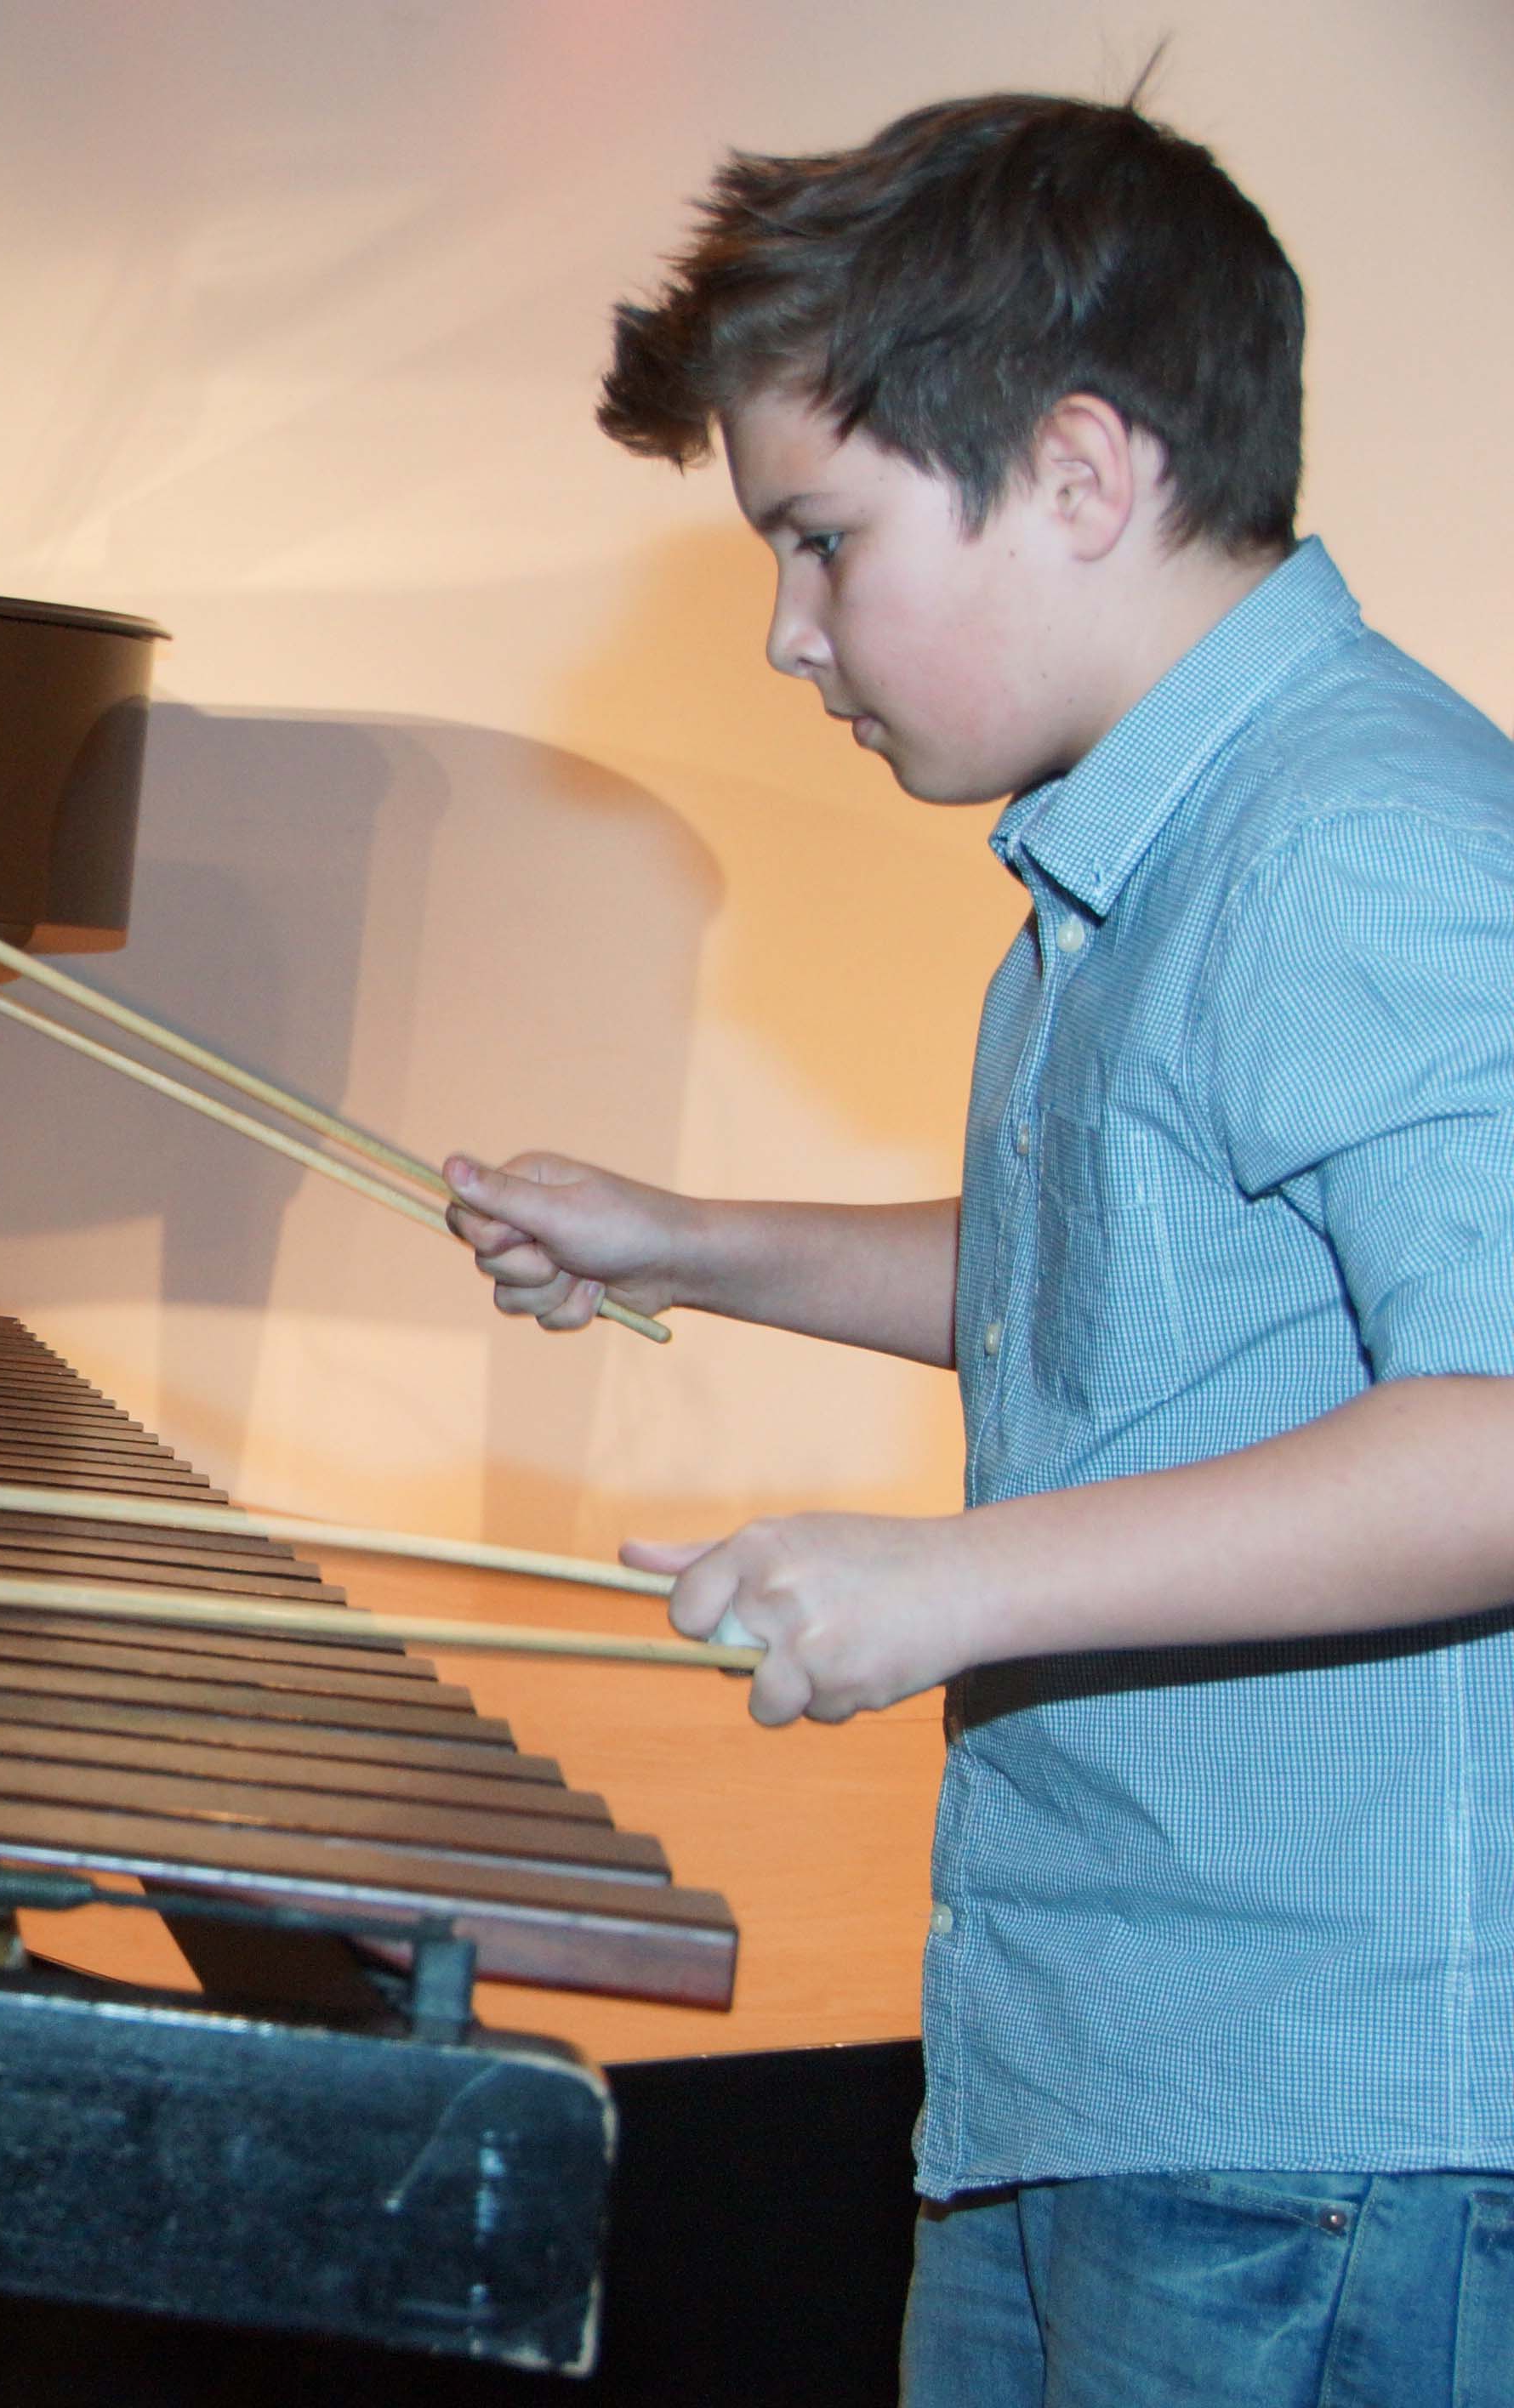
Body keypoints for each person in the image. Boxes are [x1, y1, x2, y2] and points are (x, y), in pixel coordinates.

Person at [443, 90, 1514, 2404]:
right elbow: (1116, 1289)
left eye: (822, 542)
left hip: (1324, 2132)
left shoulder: (1363, 840)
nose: (785, 633)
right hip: (1101, 2069)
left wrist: (951, 1584)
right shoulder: (1154, 843)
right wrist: (692, 1242)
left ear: (1081, 472)